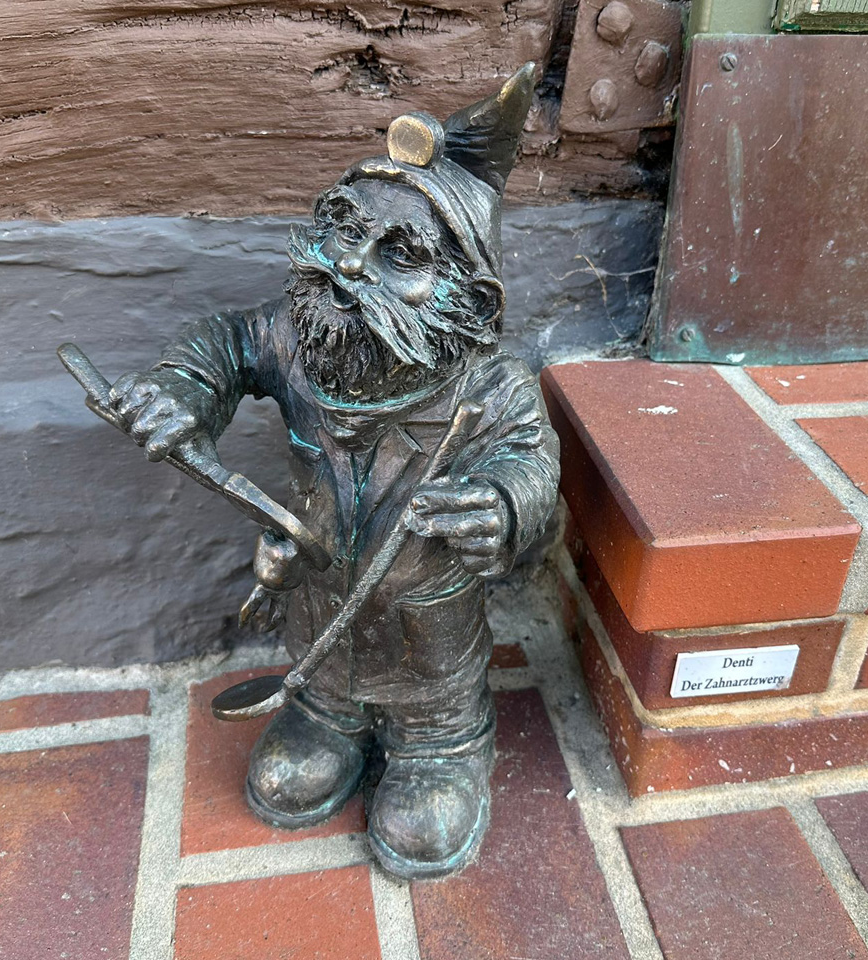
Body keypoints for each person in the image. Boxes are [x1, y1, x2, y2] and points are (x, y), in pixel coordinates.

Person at [108, 64, 560, 879]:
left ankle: (442, 744)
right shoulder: (293, 337)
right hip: (321, 617)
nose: (351, 266)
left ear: (471, 300)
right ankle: (330, 716)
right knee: (294, 765)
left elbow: (530, 463)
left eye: (400, 255)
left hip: (432, 645)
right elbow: (224, 345)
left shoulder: (493, 390)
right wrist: (180, 392)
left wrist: (501, 503)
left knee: (425, 796)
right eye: (345, 231)